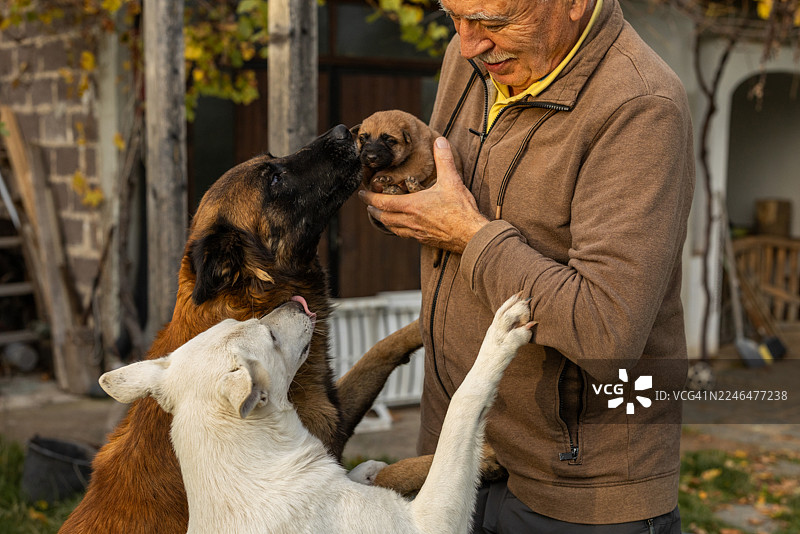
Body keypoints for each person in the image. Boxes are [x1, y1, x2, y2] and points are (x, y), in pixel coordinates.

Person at [359, 0, 694, 532]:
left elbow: (606, 330)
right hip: (451, 455)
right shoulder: (473, 60)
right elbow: (438, 192)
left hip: (573, 491)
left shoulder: (640, 105)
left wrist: (467, 234)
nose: (469, 43)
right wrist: (402, 204)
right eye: (454, 17)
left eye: (492, 22)